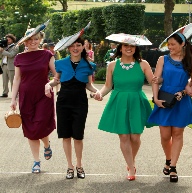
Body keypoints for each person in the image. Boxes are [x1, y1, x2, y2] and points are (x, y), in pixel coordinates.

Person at [97, 34, 154, 181]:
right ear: (120, 48)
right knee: (123, 135)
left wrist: (157, 95)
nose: (129, 48)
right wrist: (100, 94)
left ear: (136, 49)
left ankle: (131, 162)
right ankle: (131, 167)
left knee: (135, 136)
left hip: (137, 100)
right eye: (126, 46)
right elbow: (108, 86)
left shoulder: (143, 64)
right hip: (119, 101)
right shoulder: (112, 65)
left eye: (132, 46)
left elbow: (153, 82)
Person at [46, 28, 98, 179]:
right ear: (68, 48)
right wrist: (48, 85)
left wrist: (97, 92)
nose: (75, 48)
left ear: (83, 47)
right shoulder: (60, 63)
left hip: (80, 102)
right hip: (63, 102)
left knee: (78, 136)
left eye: (78, 45)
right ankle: (70, 166)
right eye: (72, 46)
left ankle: (79, 165)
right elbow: (56, 80)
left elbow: (89, 85)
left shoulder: (89, 65)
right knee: (65, 135)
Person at [147, 32, 192, 183]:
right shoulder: (162, 59)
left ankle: (173, 167)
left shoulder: (191, 62)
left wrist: (186, 90)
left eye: (173, 44)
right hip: (164, 98)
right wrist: (155, 99)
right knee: (164, 135)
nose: (169, 47)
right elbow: (156, 80)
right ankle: (168, 159)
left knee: (177, 133)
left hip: (181, 100)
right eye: (168, 45)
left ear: (182, 44)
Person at [10, 22, 56, 173]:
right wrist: (13, 99)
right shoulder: (19, 58)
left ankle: (47, 144)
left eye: (36, 39)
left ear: (40, 39)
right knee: (30, 129)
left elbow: (56, 76)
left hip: (44, 95)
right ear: (25, 42)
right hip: (26, 97)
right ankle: (36, 161)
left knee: (40, 125)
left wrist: (50, 84)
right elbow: (17, 79)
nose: (33, 42)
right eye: (29, 39)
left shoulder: (47, 55)